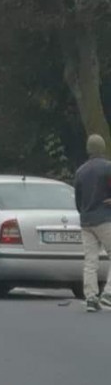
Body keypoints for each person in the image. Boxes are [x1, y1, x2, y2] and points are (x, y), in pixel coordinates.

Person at [74, 134, 111, 312]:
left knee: (90, 260)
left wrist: (85, 213)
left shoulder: (80, 171)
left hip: (86, 221)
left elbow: (78, 200)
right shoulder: (108, 168)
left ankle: (90, 297)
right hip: (105, 219)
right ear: (102, 148)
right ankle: (108, 295)